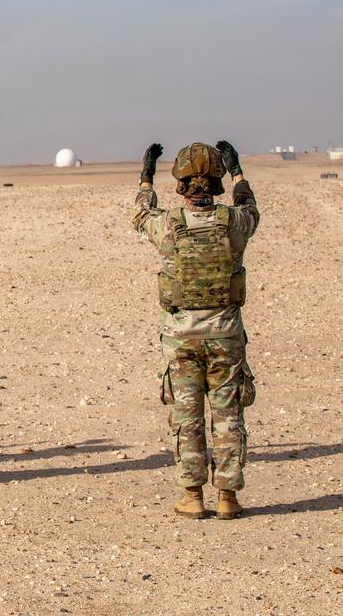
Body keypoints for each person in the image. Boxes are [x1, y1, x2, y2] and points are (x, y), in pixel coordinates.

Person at [133, 141, 259, 520]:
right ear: (217, 182)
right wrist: (240, 174)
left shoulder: (167, 226)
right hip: (225, 336)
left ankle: (192, 496)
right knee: (228, 416)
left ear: (181, 185)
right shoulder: (234, 223)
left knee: (186, 418)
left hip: (181, 339)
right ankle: (227, 498)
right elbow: (250, 209)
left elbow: (141, 214)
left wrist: (145, 177)